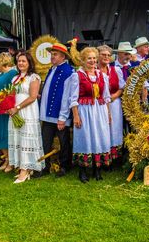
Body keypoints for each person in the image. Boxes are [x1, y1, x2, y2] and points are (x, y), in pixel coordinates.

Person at [61, 47, 111, 183]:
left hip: (99, 111)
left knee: (100, 138)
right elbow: (73, 99)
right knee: (85, 138)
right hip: (84, 111)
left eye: (94, 58)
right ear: (83, 60)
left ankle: (97, 169)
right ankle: (82, 171)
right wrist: (76, 116)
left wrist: (108, 114)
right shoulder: (77, 76)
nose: (93, 61)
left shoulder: (102, 76)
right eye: (89, 58)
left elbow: (106, 97)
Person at [6, 52, 45, 183]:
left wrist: (17, 108)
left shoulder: (34, 77)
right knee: (18, 137)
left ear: (29, 63)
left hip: (27, 110)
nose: (21, 63)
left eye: (24, 61)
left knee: (27, 136)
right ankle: (22, 166)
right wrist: (8, 106)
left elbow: (33, 97)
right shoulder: (15, 78)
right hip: (15, 111)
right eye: (19, 61)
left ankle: (26, 169)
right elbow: (11, 94)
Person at [40, 43, 74, 177]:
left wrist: (63, 117)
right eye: (51, 54)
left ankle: (65, 166)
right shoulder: (52, 69)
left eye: (55, 54)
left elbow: (66, 97)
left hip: (60, 115)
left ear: (63, 56)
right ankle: (45, 165)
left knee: (63, 142)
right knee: (45, 141)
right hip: (48, 115)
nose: (52, 57)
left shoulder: (68, 71)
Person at [0, 53, 19, 172]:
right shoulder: (1, 74)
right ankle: (6, 159)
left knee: (6, 135)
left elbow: (13, 91)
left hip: (5, 108)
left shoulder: (12, 73)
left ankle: (10, 161)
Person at [97, 45, 125, 161]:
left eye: (108, 55)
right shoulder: (94, 71)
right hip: (99, 104)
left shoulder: (116, 70)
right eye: (103, 54)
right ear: (97, 55)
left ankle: (115, 157)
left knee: (115, 128)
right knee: (102, 128)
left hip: (114, 104)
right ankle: (103, 156)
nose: (106, 57)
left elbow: (122, 88)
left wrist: (114, 96)